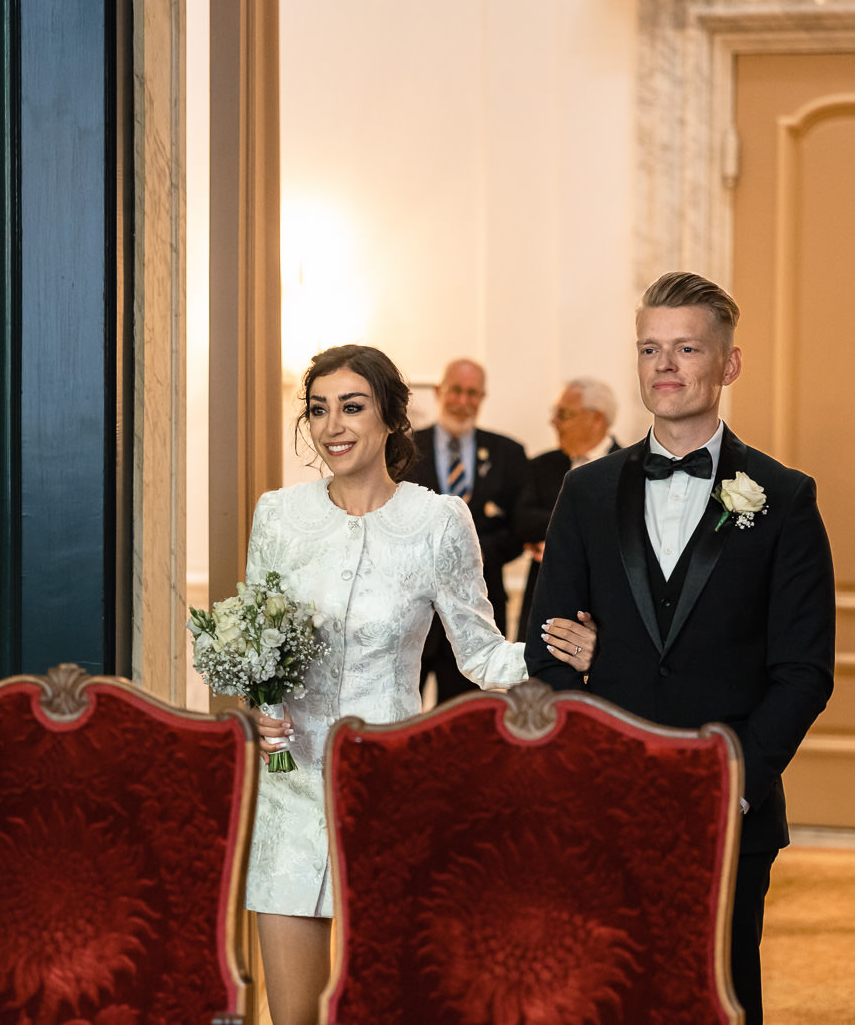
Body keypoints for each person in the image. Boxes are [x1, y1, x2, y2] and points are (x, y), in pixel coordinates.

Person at [247, 344, 593, 1025]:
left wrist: (568, 655)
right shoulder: (278, 516)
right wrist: (261, 708)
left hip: (388, 791)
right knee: (291, 1017)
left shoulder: (438, 522)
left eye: (352, 406)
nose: (332, 425)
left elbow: (483, 655)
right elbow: (258, 648)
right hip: (288, 789)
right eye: (318, 409)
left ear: (390, 419)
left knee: (387, 1004)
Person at [526, 272, 835, 1024]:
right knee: (604, 996)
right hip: (606, 801)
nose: (664, 365)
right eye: (650, 348)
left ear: (728, 364)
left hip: (730, 800)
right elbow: (550, 655)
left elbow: (803, 671)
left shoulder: (784, 497)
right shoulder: (587, 491)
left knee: (720, 997)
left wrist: (734, 781)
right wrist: (588, 770)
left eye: (686, 347)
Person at [405, 358, 529, 702]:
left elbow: (518, 529)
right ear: (440, 392)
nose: (463, 401)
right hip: (413, 612)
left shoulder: (510, 453)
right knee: (400, 727)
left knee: (465, 730)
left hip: (480, 610)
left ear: (482, 397)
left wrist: (473, 552)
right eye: (456, 390)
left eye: (472, 393)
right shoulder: (403, 449)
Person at [513, 377, 622, 636]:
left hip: (604, 611)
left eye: (563, 414)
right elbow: (523, 521)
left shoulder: (630, 468)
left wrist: (559, 539)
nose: (554, 422)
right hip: (543, 607)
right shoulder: (542, 466)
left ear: (597, 418)